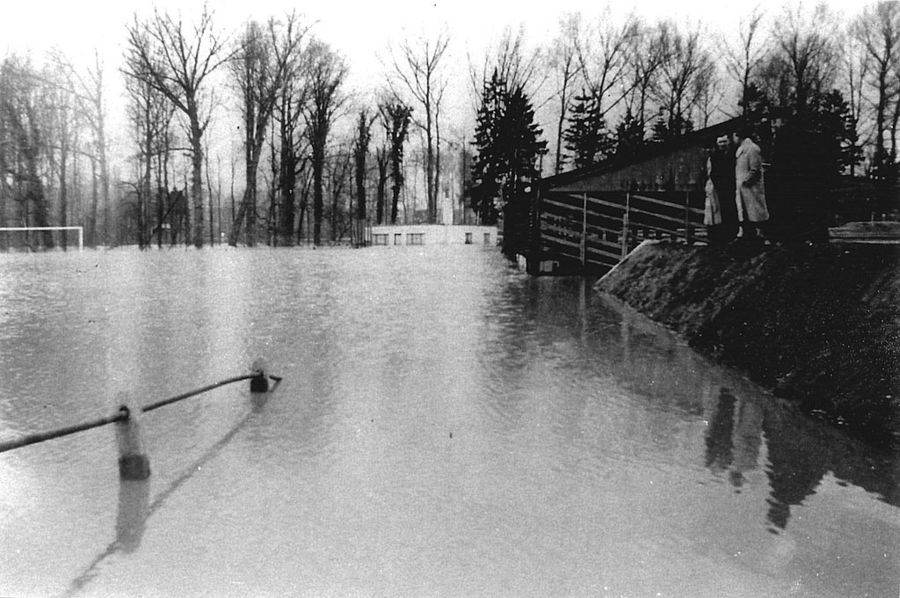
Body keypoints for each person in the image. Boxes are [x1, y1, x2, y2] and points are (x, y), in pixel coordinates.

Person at [733, 126, 769, 243]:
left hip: (751, 187)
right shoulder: (741, 149)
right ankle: (746, 234)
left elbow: (755, 169)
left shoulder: (752, 148)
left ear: (739, 136)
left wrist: (745, 181)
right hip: (742, 188)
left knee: (756, 211)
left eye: (734, 135)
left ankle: (760, 233)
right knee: (744, 211)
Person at [704, 135, 738, 246]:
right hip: (719, 188)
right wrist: (719, 185)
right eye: (720, 142)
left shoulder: (733, 155)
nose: (722, 144)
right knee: (717, 211)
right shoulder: (714, 157)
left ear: (728, 142)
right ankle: (719, 237)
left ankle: (732, 235)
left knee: (731, 211)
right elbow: (713, 173)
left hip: (731, 187)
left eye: (724, 142)